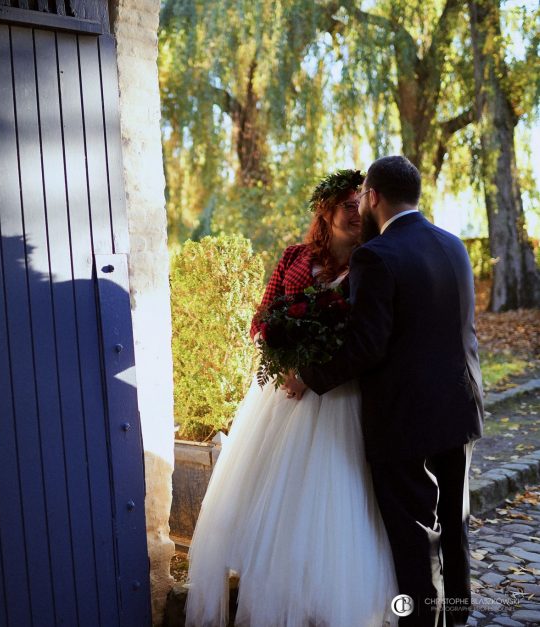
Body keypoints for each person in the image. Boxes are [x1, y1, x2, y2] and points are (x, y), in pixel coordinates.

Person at [184, 169, 400, 627]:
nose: (356, 213)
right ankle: (276, 589)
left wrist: (313, 370)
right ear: (326, 210)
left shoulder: (374, 261)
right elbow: (263, 317)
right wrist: (282, 359)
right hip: (283, 395)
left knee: (333, 495)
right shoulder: (294, 258)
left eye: (361, 204)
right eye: (347, 205)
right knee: (274, 496)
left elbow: (369, 337)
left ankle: (329, 599)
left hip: (341, 397)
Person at [284, 156, 484, 626]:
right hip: (459, 409)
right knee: (452, 528)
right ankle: (456, 617)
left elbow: (366, 347)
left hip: (405, 420)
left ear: (372, 196)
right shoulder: (454, 245)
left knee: (416, 536)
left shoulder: (375, 257)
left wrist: (308, 376)